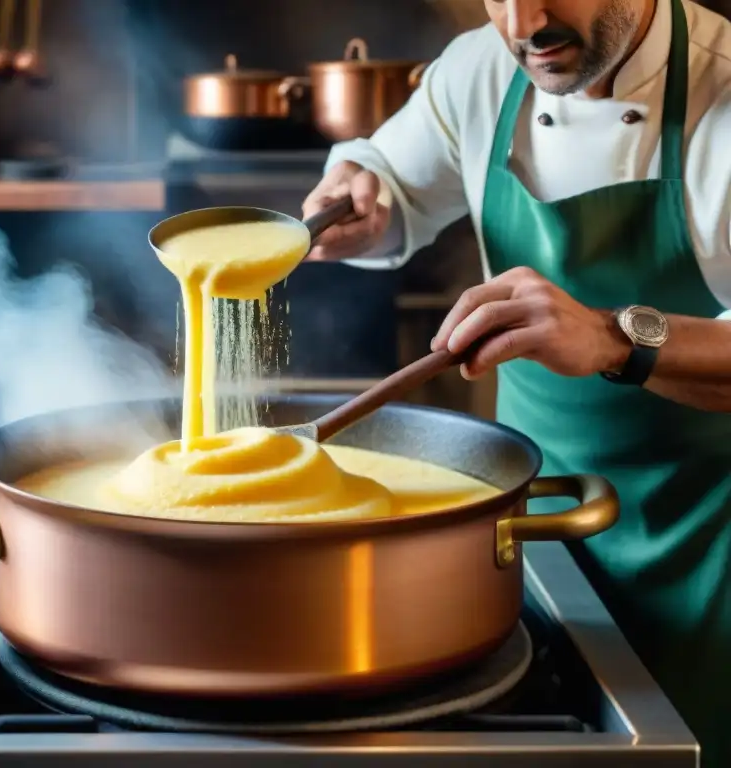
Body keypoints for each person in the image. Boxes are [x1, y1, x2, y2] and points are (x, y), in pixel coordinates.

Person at [301, 0, 731, 764]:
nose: (522, 21)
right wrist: (368, 202)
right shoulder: (482, 68)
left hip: (707, 548)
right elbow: (393, 179)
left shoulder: (721, 93)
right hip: (534, 532)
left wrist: (609, 336)